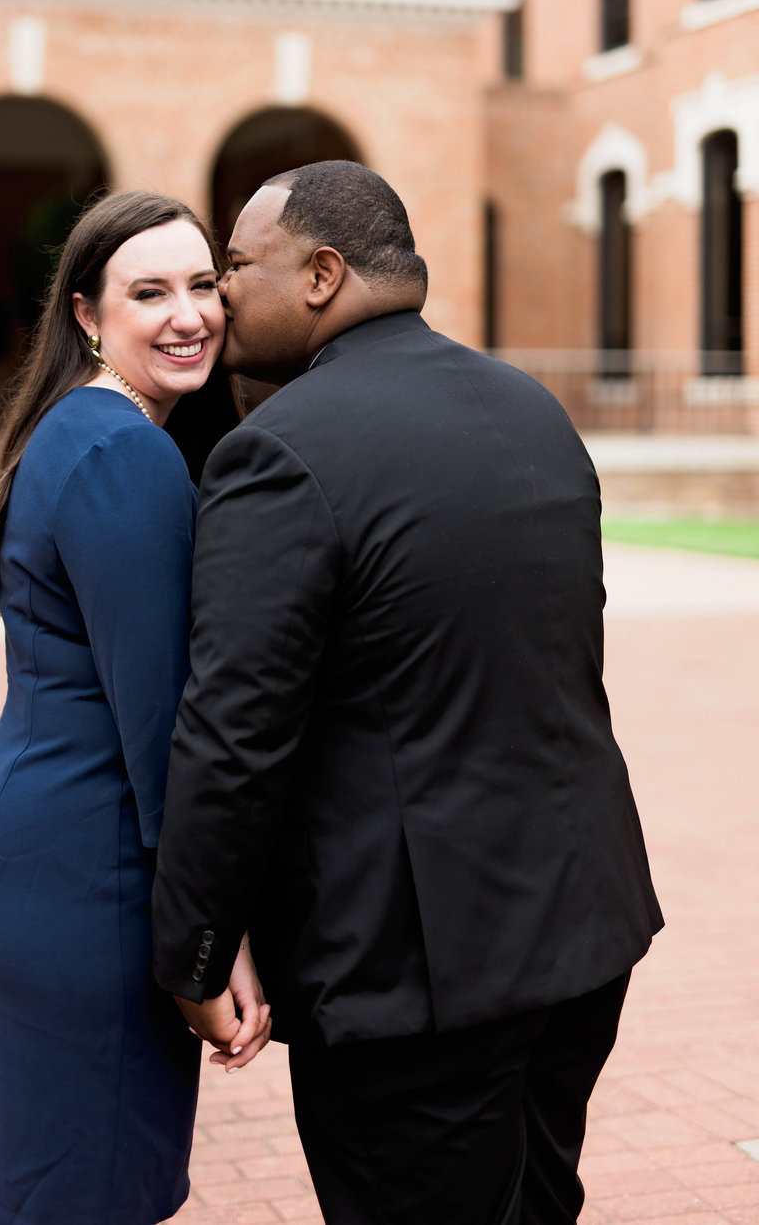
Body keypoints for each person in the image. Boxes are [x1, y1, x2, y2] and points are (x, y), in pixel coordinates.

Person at [151, 161, 663, 1225]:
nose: (218, 293)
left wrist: (196, 947)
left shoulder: (281, 454)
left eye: (237, 266)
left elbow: (234, 733)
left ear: (323, 274)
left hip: (416, 971)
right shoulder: (531, 409)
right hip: (580, 927)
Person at [0, 190, 270, 1225]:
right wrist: (206, 945)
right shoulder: (124, 453)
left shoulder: (83, 428)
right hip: (82, 881)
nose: (189, 315)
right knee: (90, 1191)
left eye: (204, 285)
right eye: (149, 292)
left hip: (35, 851)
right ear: (87, 315)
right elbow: (165, 728)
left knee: (58, 1184)